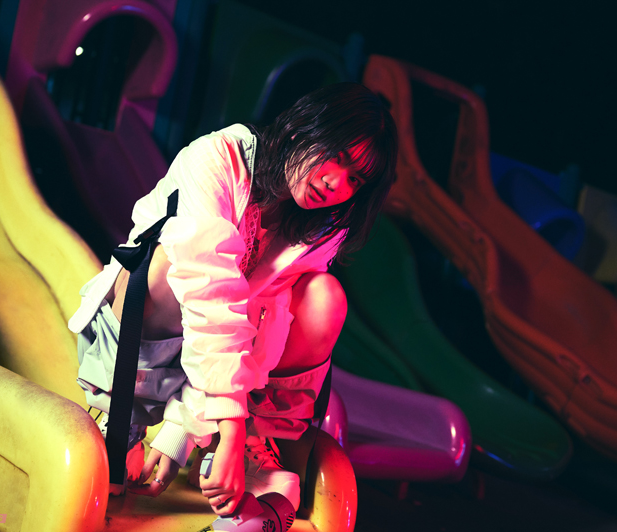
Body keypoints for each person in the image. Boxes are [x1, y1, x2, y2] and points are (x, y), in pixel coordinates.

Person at [68, 82, 397, 516]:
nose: (335, 183)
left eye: (355, 179)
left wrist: (187, 431)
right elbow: (210, 297)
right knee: (165, 265)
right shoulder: (218, 159)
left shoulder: (322, 227)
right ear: (302, 129)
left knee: (323, 298)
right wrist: (227, 424)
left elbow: (262, 323)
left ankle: (248, 445)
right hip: (137, 344)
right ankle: (122, 416)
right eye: (336, 156)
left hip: (222, 368)